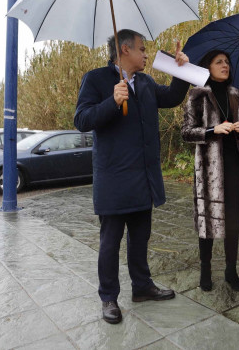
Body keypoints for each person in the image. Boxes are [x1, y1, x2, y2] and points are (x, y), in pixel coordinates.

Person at [74, 29, 190, 324]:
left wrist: (181, 69)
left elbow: (175, 96)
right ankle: (109, 297)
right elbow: (82, 120)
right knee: (110, 242)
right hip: (113, 180)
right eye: (142, 48)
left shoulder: (147, 83)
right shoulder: (97, 79)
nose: (146, 54)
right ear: (124, 50)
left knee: (141, 237)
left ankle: (142, 286)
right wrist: (112, 100)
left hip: (143, 179)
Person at [181, 50, 239, 292]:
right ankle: (206, 269)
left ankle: (231, 270)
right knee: (206, 222)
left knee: (232, 219)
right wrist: (212, 131)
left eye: (227, 62)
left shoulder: (237, 96)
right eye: (219, 62)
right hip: (209, 169)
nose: (225, 65)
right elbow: (186, 132)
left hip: (234, 165)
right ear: (207, 67)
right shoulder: (197, 96)